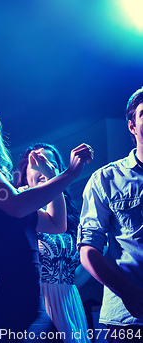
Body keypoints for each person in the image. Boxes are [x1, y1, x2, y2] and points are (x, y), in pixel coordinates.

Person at [0, 97, 93, 342]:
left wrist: (53, 175)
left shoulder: (1, 182)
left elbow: (57, 224)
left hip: (34, 303)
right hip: (4, 303)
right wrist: (70, 174)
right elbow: (19, 206)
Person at [79, 87, 143, 342]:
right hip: (130, 318)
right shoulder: (106, 179)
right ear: (131, 126)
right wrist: (127, 291)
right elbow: (88, 250)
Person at [16, 143, 90, 343]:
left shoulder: (69, 212)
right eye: (36, 162)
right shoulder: (19, 204)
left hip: (68, 301)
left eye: (48, 162)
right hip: (36, 301)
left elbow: (75, 270)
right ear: (24, 175)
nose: (43, 167)